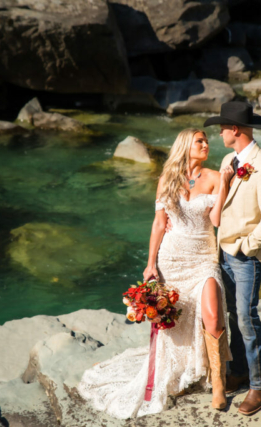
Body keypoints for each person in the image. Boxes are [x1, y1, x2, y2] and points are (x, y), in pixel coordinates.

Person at [77, 128, 235, 419]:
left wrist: (224, 183)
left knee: (212, 315)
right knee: (175, 320)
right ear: (186, 145)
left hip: (203, 259)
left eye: (206, 141)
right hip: (171, 259)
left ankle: (218, 384)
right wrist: (151, 263)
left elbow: (216, 220)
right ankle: (185, 368)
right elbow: (159, 224)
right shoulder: (167, 179)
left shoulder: (214, 177)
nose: (205, 144)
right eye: (199, 140)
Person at [203, 101, 261, 416]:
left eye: (222, 127)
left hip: (245, 256)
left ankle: (259, 384)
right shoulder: (229, 159)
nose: (220, 133)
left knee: (247, 318)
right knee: (232, 316)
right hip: (222, 252)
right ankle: (238, 370)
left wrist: (248, 247)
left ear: (234, 130)